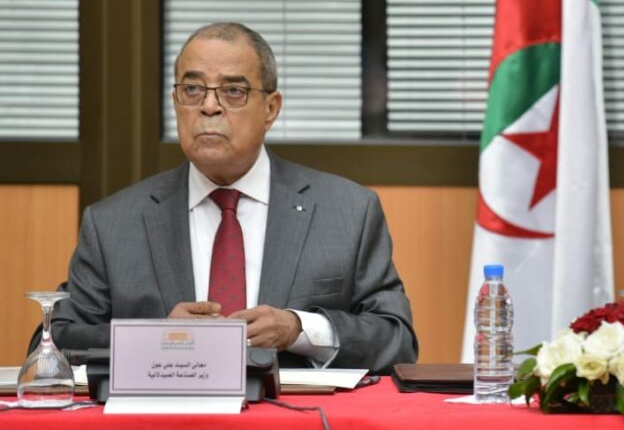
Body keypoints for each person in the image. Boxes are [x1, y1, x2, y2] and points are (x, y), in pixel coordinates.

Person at [50, 22, 417, 372]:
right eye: (192, 89)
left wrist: (300, 330)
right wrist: (158, 337)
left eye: (233, 91)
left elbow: (396, 340)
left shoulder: (347, 212)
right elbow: (56, 342)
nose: (209, 106)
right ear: (176, 102)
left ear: (271, 109)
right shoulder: (112, 223)